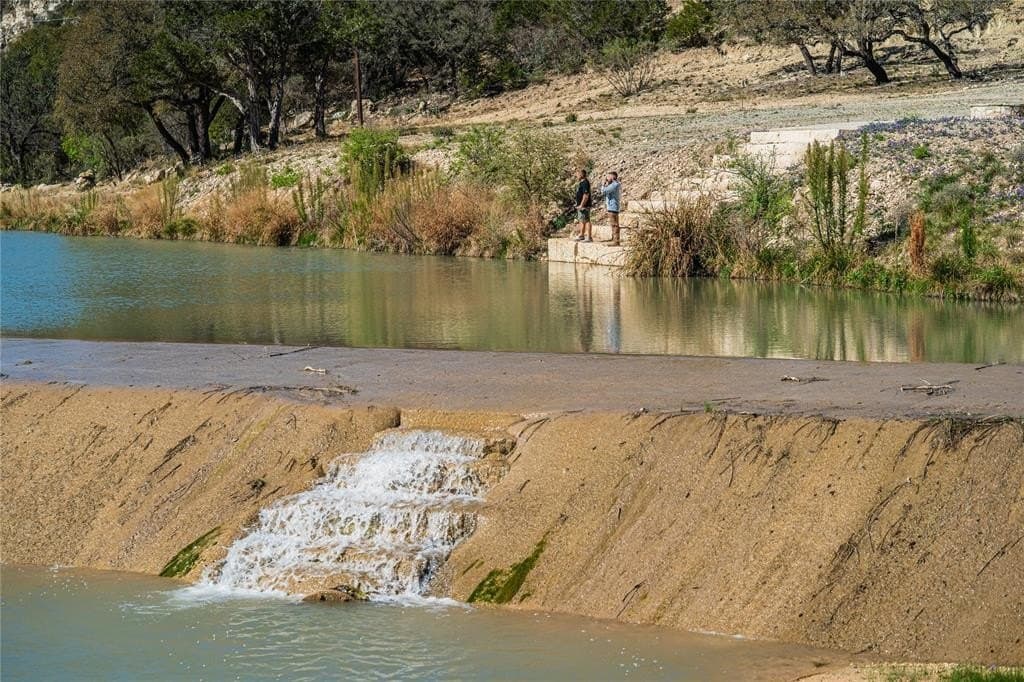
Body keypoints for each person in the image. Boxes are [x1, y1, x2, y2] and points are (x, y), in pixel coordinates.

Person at [599, 171, 622, 245]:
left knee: (614, 224)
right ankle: (614, 238)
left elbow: (604, 191)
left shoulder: (614, 185)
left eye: (608, 176)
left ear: (612, 177)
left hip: (613, 207)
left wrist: (603, 185)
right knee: (613, 224)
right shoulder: (612, 184)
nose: (607, 178)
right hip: (611, 207)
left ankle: (616, 241)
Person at [572, 168, 592, 242]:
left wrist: (582, 205)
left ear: (581, 174)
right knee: (581, 220)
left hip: (584, 206)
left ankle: (589, 237)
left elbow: (586, 195)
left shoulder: (585, 183)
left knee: (587, 220)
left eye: (577, 174)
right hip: (580, 205)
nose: (576, 176)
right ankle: (581, 235)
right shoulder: (581, 183)